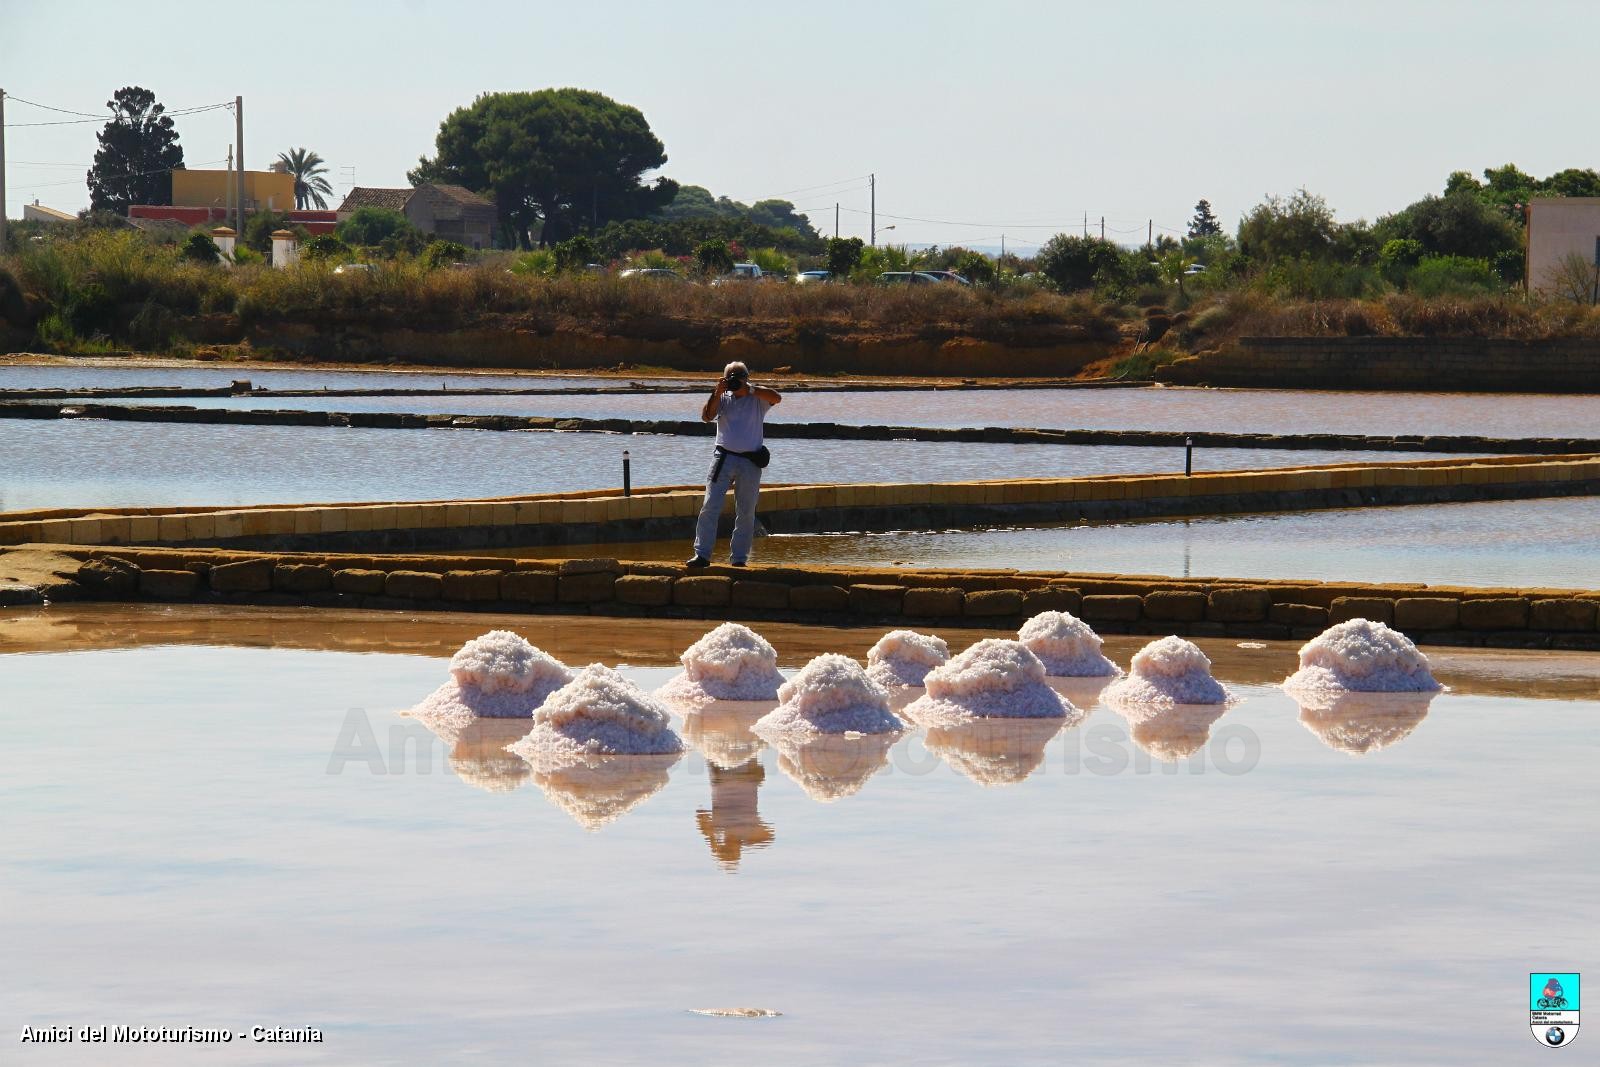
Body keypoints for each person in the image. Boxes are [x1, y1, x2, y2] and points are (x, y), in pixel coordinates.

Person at [686, 361, 781, 568]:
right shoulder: (723, 398)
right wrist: (716, 392)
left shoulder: (757, 398)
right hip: (724, 458)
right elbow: (706, 416)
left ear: (748, 378)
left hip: (750, 461)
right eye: (732, 377)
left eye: (740, 377)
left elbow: (777, 397)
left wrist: (750, 389)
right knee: (710, 505)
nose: (736, 381)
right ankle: (702, 555)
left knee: (746, 511)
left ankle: (739, 559)